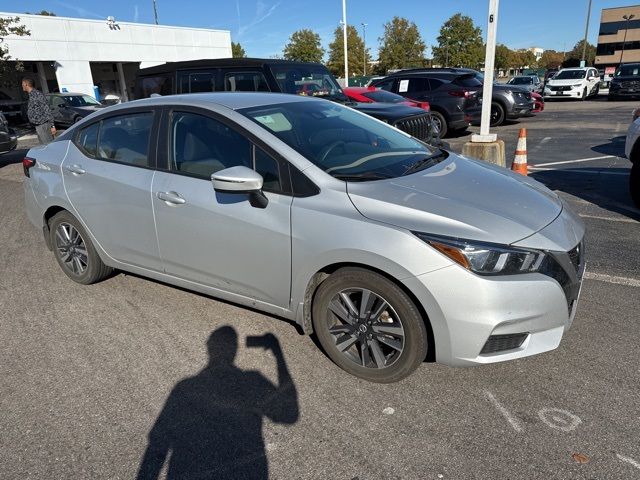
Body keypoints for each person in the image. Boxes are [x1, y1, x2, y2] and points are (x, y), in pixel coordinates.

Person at [21, 77, 56, 144]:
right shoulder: (31, 95)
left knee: (48, 147)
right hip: (38, 126)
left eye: (22, 84)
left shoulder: (38, 94)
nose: (21, 85)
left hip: (43, 126)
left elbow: (47, 110)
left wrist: (52, 126)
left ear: (26, 84)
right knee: (43, 148)